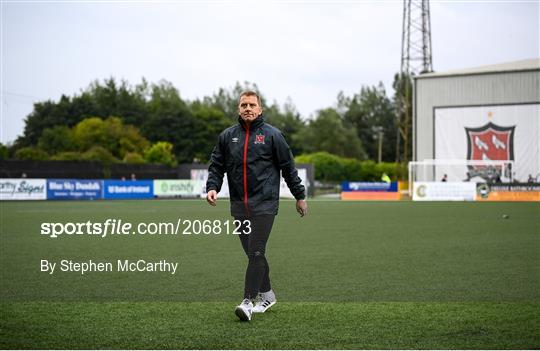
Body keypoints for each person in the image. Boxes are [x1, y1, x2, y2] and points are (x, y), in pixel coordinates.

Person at [206, 90, 307, 322]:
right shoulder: (227, 136)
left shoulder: (273, 135)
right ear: (238, 109)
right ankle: (268, 295)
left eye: (252, 105)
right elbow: (216, 165)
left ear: (260, 109)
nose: (248, 108)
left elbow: (288, 168)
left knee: (256, 251)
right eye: (244, 105)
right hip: (239, 206)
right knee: (253, 254)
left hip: (264, 205)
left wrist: (299, 195)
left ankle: (247, 302)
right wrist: (212, 186)